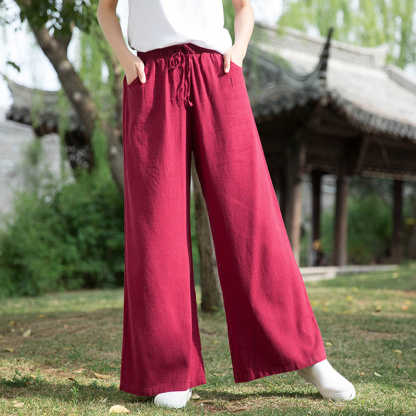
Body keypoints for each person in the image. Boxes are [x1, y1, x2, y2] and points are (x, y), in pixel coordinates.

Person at [97, 0, 356, 409]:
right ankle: (169, 369)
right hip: (150, 75)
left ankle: (307, 356)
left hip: (216, 71)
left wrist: (238, 51)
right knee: (156, 225)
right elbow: (105, 9)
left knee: (252, 215)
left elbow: (244, 7)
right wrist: (127, 60)